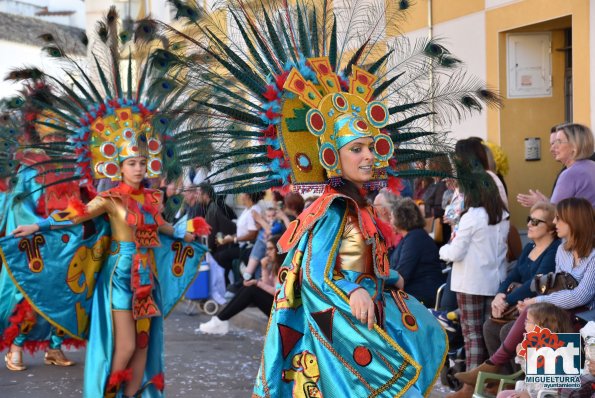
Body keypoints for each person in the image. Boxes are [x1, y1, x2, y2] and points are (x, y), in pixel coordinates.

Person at [0, 10, 209, 397]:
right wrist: (35, 226)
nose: (138, 167)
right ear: (117, 165)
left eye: (142, 162)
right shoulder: (110, 198)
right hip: (120, 276)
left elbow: (164, 228)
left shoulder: (150, 196)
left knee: (146, 350)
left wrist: (190, 230)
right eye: (131, 163)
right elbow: (72, 217)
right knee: (125, 346)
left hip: (150, 276)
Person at [455, 197, 595, 395]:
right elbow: (552, 286)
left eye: (559, 219)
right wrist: (502, 296)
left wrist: (537, 301)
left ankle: (499, 369)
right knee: (492, 326)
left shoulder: (592, 255)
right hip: (559, 311)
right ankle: (506, 380)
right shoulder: (562, 251)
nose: (555, 223)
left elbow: (581, 296)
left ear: (574, 221)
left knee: (515, 323)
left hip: (584, 317)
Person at [439, 138, 510, 398]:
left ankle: (471, 388)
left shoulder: (472, 215)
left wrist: (443, 249)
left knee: (472, 336)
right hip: (494, 277)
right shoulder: (500, 215)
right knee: (486, 332)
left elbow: (455, 250)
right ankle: (486, 384)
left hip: (469, 280)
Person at [484, 202, 560, 367]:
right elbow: (514, 274)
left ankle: (516, 382)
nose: (528, 225)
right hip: (518, 307)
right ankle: (498, 381)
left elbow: (535, 284)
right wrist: (499, 294)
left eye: (535, 222)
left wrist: (506, 301)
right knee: (489, 326)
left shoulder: (554, 250)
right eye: (529, 219)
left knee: (506, 330)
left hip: (540, 309)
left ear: (551, 227)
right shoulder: (529, 247)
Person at [198, 235, 286, 335]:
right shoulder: (274, 265)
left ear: (279, 249)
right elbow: (266, 287)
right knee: (249, 287)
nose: (267, 253)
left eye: (270, 249)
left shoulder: (286, 268)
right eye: (267, 249)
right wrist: (264, 269)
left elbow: (277, 292)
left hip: (285, 312)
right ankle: (219, 320)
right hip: (278, 306)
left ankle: (219, 321)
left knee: (252, 289)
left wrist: (257, 283)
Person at [496, 302, 573, 398]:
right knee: (503, 394)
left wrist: (529, 395)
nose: (524, 325)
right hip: (534, 390)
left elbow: (552, 387)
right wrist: (523, 357)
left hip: (546, 394)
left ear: (541, 326)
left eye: (527, 321)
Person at [518, 123, 595, 206]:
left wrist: (540, 204)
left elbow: (555, 214)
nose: (552, 149)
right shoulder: (591, 166)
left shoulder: (571, 174)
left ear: (575, 146)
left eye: (559, 142)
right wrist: (547, 203)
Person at [390, 197, 444, 307]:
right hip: (414, 292)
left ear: (400, 219)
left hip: (419, 295)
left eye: (391, 218)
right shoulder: (412, 237)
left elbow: (403, 273)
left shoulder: (415, 239)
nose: (390, 222)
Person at [217, 191, 264, 285]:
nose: (240, 196)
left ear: (247, 195)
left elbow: (252, 234)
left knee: (221, 257)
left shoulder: (254, 211)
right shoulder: (247, 209)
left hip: (248, 247)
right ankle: (231, 282)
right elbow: (243, 231)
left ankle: (230, 283)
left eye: (242, 193)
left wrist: (233, 239)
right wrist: (230, 237)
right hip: (241, 244)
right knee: (220, 253)